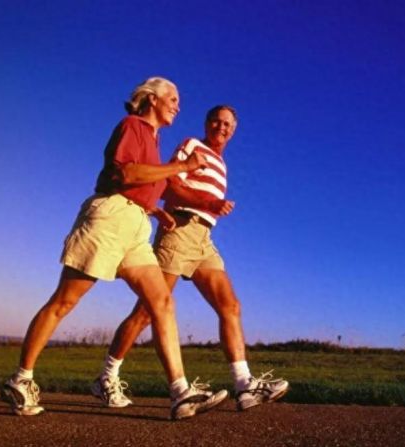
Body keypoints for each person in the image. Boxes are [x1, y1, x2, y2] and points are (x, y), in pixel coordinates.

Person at [0, 77, 228, 420]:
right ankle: (21, 378)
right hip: (109, 218)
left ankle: (181, 392)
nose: (178, 106)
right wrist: (183, 166)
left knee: (161, 302)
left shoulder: (153, 139)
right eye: (173, 99)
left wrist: (156, 210)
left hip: (136, 225)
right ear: (152, 99)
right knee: (64, 301)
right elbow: (126, 174)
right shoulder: (133, 125)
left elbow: (141, 184)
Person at [92, 105, 289, 412]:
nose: (221, 127)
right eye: (216, 121)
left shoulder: (221, 164)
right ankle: (107, 377)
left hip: (204, 240)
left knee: (230, 305)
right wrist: (209, 202)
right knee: (147, 311)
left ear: (234, 130)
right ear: (207, 124)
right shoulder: (192, 145)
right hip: (180, 231)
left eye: (227, 124)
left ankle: (244, 386)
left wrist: (209, 207)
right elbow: (169, 184)